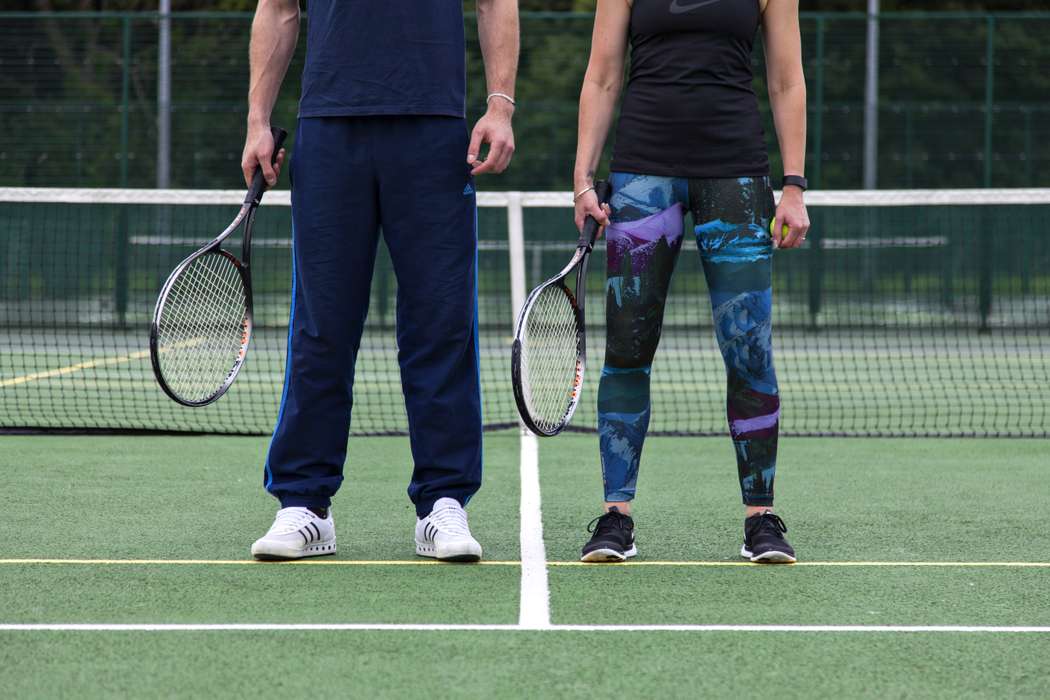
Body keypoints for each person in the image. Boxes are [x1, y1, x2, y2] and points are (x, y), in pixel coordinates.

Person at [242, 0, 519, 562]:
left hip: (434, 130)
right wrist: (256, 121)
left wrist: (500, 106)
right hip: (328, 130)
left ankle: (443, 501)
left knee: (441, 323)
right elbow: (277, 9)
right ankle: (304, 505)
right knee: (321, 326)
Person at [573, 0, 809, 563]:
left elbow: (785, 78)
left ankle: (761, 519)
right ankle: (615, 517)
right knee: (627, 347)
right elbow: (603, 75)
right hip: (641, 178)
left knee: (749, 350)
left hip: (738, 178)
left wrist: (795, 184)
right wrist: (583, 179)